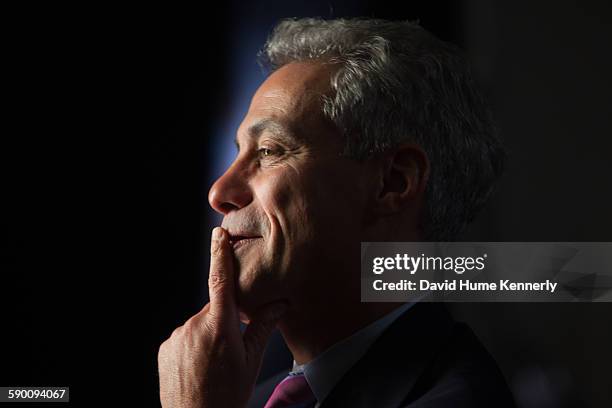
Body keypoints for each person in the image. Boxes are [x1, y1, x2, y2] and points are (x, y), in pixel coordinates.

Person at [157, 18, 515, 407]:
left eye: (269, 151)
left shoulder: (460, 400)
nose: (219, 192)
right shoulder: (245, 398)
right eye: (238, 153)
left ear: (393, 182)